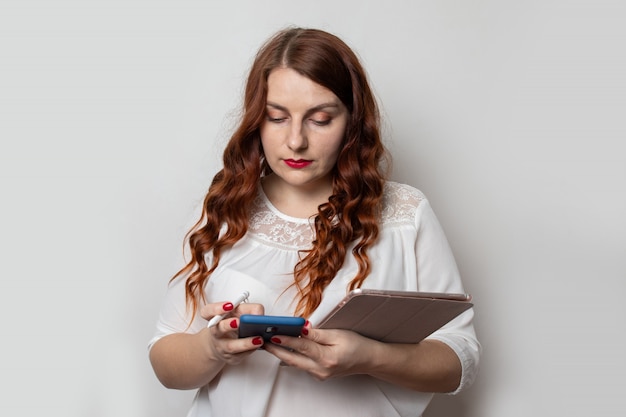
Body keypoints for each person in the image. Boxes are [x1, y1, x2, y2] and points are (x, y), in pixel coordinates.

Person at [148, 27, 480, 417]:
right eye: (277, 117)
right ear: (257, 119)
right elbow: (165, 358)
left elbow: (460, 360)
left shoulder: (405, 213)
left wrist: (370, 357)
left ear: (353, 123)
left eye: (320, 119)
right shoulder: (222, 210)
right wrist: (212, 347)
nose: (295, 141)